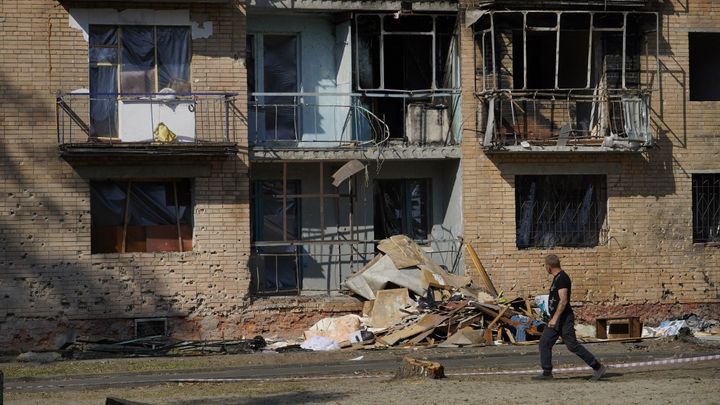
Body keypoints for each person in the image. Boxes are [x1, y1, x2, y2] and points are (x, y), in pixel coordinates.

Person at [534, 254, 607, 381]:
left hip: (563, 319)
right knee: (545, 343)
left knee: (572, 345)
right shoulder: (557, 278)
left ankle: (597, 367)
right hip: (555, 319)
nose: (545, 268)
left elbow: (563, 300)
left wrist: (555, 318)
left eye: (545, 265)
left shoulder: (562, 278)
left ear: (549, 266)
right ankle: (547, 372)